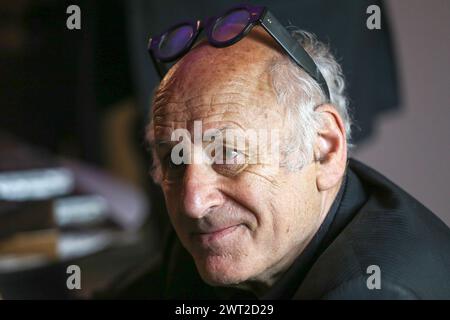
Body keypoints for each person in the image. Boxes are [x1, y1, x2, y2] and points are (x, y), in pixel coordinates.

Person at [104, 5, 450, 299]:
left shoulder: (371, 290)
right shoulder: (227, 227)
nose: (193, 202)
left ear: (325, 149)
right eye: (174, 158)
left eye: (228, 152)